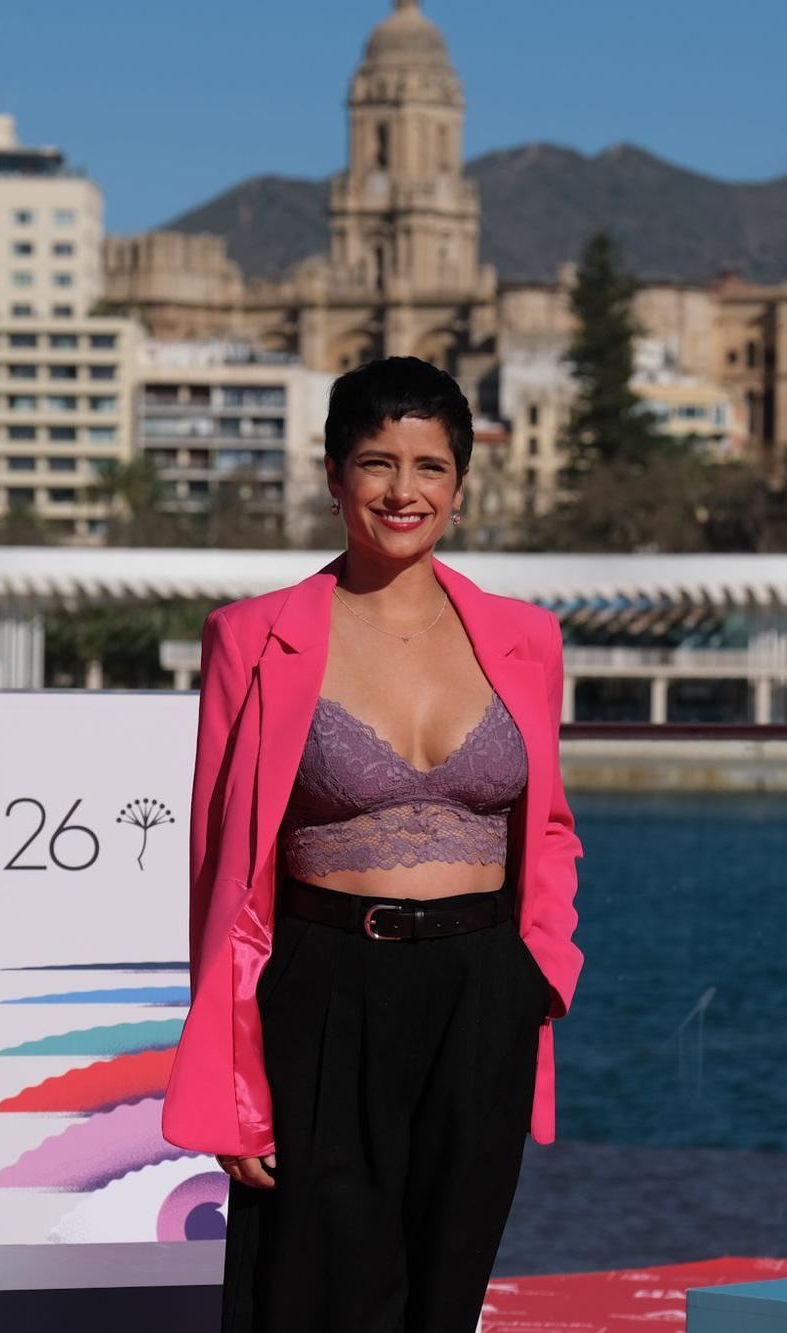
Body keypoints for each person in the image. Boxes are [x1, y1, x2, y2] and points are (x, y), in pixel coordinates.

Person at [160, 356, 584, 1332]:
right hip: (324, 994)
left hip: (482, 995)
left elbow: (550, 824)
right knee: (314, 1295)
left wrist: (539, 972)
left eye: (429, 466)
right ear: (332, 476)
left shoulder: (525, 637)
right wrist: (230, 1077)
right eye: (376, 463)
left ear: (461, 484)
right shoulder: (251, 638)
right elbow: (220, 871)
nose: (404, 491)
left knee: (443, 1294)